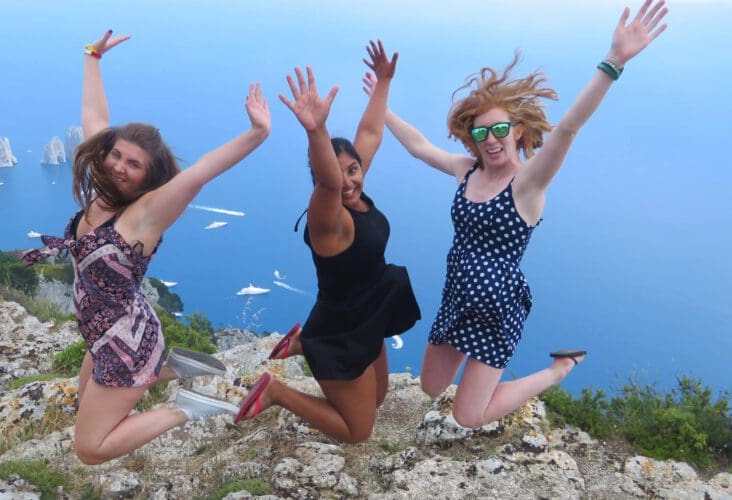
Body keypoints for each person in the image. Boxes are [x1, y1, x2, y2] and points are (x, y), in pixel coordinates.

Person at [362, 0, 668, 428]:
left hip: (496, 307)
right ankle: (487, 380)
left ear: (518, 130)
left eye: (500, 129)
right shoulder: (465, 169)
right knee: (430, 386)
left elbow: (567, 129)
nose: (491, 140)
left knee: (468, 415)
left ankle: (558, 370)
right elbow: (418, 145)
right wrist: (381, 100)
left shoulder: (528, 184)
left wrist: (613, 61)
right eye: (482, 131)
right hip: (457, 294)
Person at [22, 30, 271, 464]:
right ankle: (175, 368)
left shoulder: (143, 215)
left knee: (90, 447)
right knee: (86, 406)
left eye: (133, 164)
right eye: (116, 155)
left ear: (149, 177)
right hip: (111, 332)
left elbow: (198, 175)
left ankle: (186, 409)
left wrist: (256, 134)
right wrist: (92, 57)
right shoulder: (104, 192)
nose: (119, 165)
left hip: (123, 344)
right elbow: (94, 117)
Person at [235, 41, 421, 444]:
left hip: (370, 310)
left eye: (355, 168)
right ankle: (277, 391)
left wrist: (384, 82)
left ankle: (300, 342)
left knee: (379, 399)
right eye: (342, 175)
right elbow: (328, 180)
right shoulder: (328, 220)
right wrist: (315, 129)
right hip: (339, 330)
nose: (351, 180)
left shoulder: (354, 189)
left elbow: (370, 132)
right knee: (359, 431)